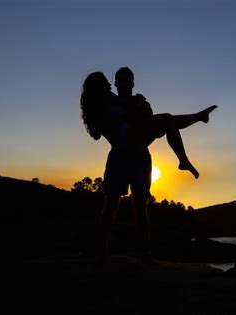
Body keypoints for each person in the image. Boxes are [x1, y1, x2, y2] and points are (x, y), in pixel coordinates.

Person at [80, 71, 217, 266]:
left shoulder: (120, 101)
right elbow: (100, 130)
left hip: (139, 153)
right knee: (110, 207)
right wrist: (133, 106)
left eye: (122, 80)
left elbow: (146, 116)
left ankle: (145, 253)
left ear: (132, 83)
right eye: (110, 82)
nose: (112, 85)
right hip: (120, 152)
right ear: (103, 87)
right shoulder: (104, 103)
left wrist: (139, 106)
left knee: (140, 207)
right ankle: (102, 253)